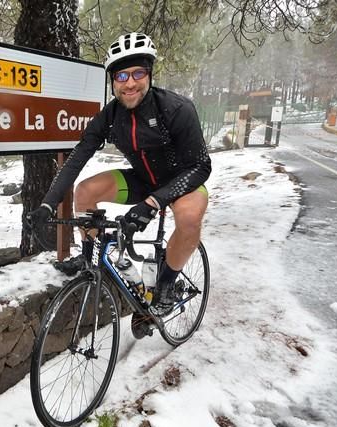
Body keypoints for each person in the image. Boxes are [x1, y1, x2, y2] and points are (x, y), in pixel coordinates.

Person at [29, 32, 211, 330]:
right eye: (121, 75)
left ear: (149, 74)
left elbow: (201, 167)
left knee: (190, 218)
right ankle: (89, 259)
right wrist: (47, 205)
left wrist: (152, 203)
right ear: (112, 81)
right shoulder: (110, 116)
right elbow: (77, 158)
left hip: (183, 181)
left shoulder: (177, 109)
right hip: (142, 179)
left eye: (138, 73)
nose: (129, 83)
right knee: (85, 191)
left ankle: (166, 284)